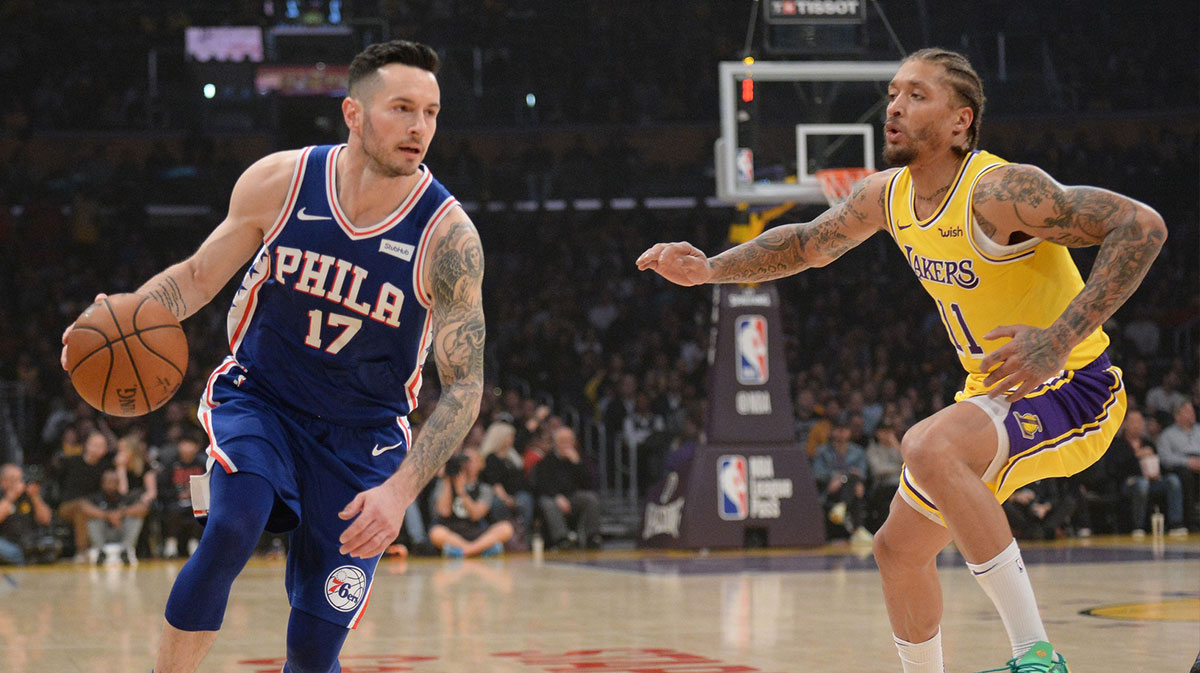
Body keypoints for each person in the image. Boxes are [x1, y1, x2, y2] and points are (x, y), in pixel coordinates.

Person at [638, 48, 1165, 673]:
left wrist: (1058, 337)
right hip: (996, 391)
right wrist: (710, 270)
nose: (894, 106)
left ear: (961, 121)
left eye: (917, 95)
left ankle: (1037, 655)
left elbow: (1142, 226)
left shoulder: (999, 192)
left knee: (927, 445)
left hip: (1075, 384)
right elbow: (805, 244)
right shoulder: (885, 196)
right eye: (893, 93)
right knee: (897, 551)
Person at [60, 40, 485, 673]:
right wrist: (123, 314)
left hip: (363, 440)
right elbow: (197, 277)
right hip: (262, 400)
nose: (419, 127)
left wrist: (400, 493)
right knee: (232, 526)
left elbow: (466, 386)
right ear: (354, 113)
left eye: (431, 112)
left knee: (313, 652)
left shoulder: (448, 238)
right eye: (402, 108)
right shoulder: (281, 182)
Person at [1112, 409, 1189, 536]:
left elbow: (1161, 465)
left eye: (1140, 421)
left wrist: (1157, 471)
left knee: (1172, 480)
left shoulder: (1148, 443)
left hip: (1152, 480)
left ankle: (1176, 523)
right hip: (1129, 482)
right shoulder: (1118, 444)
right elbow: (1115, 469)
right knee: (1142, 483)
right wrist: (1136, 456)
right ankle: (1138, 526)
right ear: (1125, 424)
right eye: (1133, 421)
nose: (1137, 425)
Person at [428, 446, 514, 558]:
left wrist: (461, 492)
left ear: (481, 465)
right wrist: (448, 480)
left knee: (506, 528)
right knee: (436, 532)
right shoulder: (445, 483)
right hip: (452, 532)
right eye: (464, 460)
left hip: (476, 531)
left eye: (470, 460)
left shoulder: (485, 488)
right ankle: (479, 550)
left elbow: (476, 515)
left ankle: (464, 551)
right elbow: (444, 512)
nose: (467, 464)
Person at [533, 427, 602, 550]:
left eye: (569, 441)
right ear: (555, 443)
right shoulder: (546, 461)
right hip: (552, 497)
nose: (566, 445)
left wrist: (578, 464)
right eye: (562, 441)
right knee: (548, 503)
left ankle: (592, 536)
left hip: (573, 497)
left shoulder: (580, 460)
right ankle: (562, 539)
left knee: (590, 499)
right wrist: (557, 496)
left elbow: (589, 485)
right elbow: (541, 485)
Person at [81, 468, 150, 564]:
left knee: (136, 518)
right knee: (93, 519)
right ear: (102, 483)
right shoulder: (95, 498)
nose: (111, 485)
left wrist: (122, 513)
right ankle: (100, 552)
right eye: (109, 482)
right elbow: (84, 507)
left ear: (118, 483)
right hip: (103, 533)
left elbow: (143, 508)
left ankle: (126, 550)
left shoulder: (125, 498)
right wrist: (107, 516)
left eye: (114, 482)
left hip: (121, 532)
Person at [0, 464, 53, 565]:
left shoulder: (28, 496)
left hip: (28, 541)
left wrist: (35, 497)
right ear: (3, 482)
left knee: (50, 543)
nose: (19, 483)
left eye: (20, 479)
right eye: (13, 480)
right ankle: (25, 558)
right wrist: (10, 497)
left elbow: (46, 520)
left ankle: (27, 557)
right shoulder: (2, 496)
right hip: (7, 542)